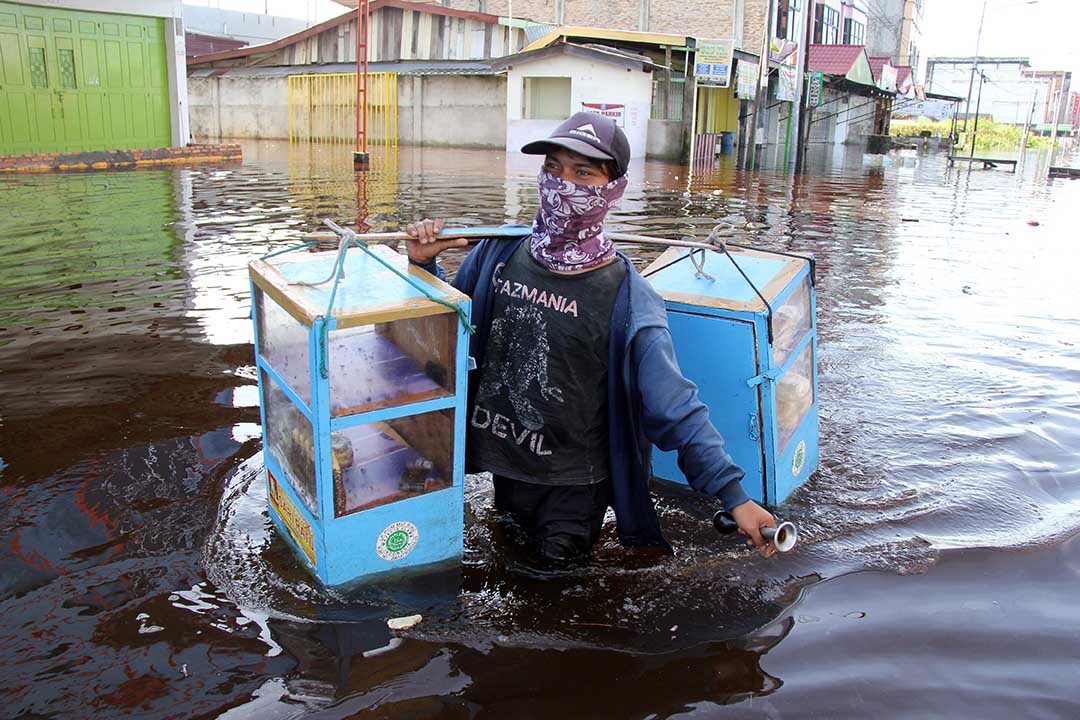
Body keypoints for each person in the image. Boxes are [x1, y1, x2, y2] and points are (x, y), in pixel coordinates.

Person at [406, 112, 776, 562]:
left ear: (613, 189)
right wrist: (423, 265)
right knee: (505, 558)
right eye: (553, 168)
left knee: (551, 587)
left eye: (583, 173)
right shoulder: (497, 252)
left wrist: (734, 496)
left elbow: (674, 407)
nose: (562, 184)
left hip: (574, 483)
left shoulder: (628, 298)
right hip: (503, 461)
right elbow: (447, 331)